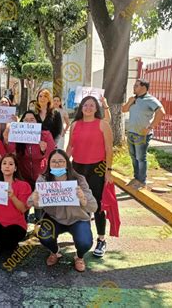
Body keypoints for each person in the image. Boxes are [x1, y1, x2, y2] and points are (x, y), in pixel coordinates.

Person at [28, 149, 98, 272]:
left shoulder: (79, 179)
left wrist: (83, 198)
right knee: (44, 236)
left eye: (61, 161)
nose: (57, 164)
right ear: (49, 164)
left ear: (67, 164)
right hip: (54, 218)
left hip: (78, 219)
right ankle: (55, 252)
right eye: (54, 161)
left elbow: (94, 207)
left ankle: (79, 256)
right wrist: (35, 199)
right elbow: (31, 203)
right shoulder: (43, 180)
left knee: (85, 242)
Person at [66, 96, 113, 258]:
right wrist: (62, 164)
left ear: (96, 108)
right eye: (85, 105)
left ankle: (101, 239)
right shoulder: (75, 125)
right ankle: (82, 234)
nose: (88, 108)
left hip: (97, 168)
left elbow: (109, 148)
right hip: (78, 168)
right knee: (79, 202)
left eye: (92, 105)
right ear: (81, 108)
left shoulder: (102, 124)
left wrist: (108, 170)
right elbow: (70, 147)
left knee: (98, 204)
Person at [122, 78, 165, 188]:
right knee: (133, 157)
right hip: (131, 132)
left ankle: (142, 181)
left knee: (141, 158)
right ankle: (136, 178)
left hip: (142, 134)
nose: (134, 87)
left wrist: (150, 127)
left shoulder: (150, 99)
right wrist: (130, 101)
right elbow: (124, 110)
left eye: (136, 86)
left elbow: (161, 112)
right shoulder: (134, 99)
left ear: (143, 87)